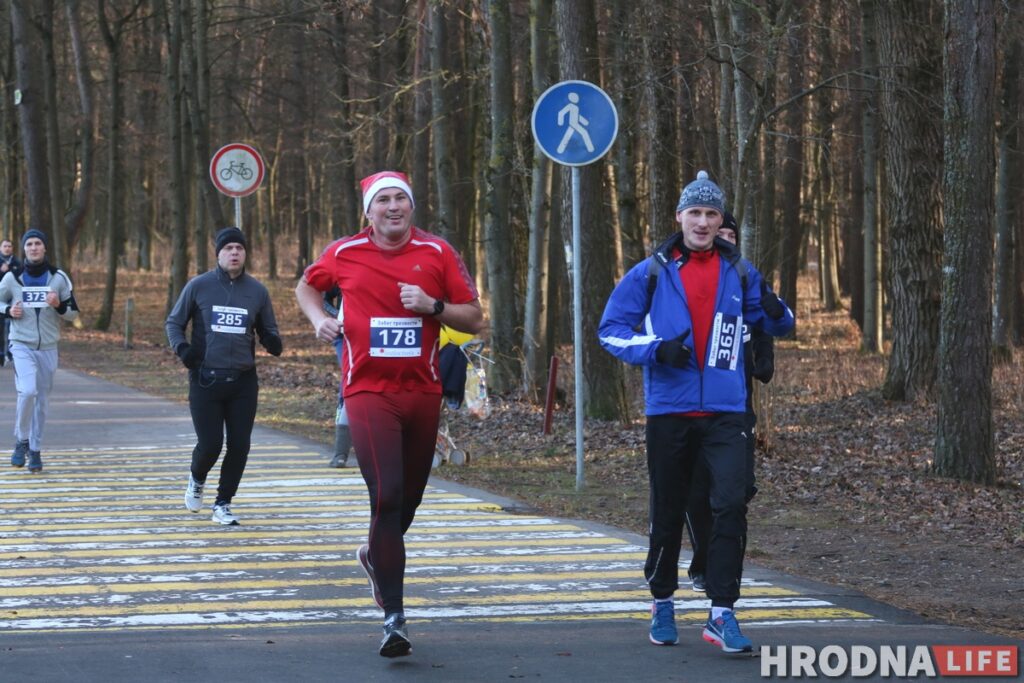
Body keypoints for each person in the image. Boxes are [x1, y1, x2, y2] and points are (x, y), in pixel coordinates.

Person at [598, 171, 794, 654]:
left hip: (728, 412)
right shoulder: (650, 272)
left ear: (719, 219)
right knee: (667, 511)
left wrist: (775, 309)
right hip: (670, 411)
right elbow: (611, 330)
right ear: (680, 217)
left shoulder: (739, 271)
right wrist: (656, 349)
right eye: (695, 213)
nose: (703, 222)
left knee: (730, 506)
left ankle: (722, 612)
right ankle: (662, 601)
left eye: (711, 214)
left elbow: (780, 323)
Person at [295, 170, 484, 658]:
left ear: (411, 206)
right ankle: (394, 619)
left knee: (408, 502)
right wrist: (320, 320)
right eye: (384, 200)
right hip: (367, 390)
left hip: (422, 391)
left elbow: (473, 317)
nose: (393, 206)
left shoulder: (437, 252)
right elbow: (306, 287)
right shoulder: (344, 253)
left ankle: (373, 553)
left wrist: (433, 305)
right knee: (387, 495)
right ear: (369, 212)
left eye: (401, 198)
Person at [165, 226, 283, 526]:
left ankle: (223, 503)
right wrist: (183, 349)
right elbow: (174, 323)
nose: (234, 253)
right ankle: (197, 478)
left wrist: (271, 340)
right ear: (218, 254)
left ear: (245, 254)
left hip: (243, 381)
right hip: (206, 379)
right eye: (228, 248)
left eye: (239, 248)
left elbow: (268, 328)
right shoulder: (199, 286)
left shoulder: (257, 291)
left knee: (240, 445)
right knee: (211, 445)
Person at [684, 211, 775, 593]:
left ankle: (726, 572)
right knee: (695, 494)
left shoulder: (746, 280)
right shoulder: (684, 279)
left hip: (737, 411)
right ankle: (704, 562)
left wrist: (763, 353)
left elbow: (767, 321)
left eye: (729, 234)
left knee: (734, 495)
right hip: (690, 410)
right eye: (716, 232)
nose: (722, 239)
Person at [0, 229, 78, 472]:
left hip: (48, 347)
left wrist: (58, 305)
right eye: (29, 244)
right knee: (27, 391)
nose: (33, 248)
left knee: (42, 402)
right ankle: (21, 441)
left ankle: (35, 449)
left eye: (37, 243)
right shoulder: (12, 278)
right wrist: (8, 310)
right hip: (21, 343)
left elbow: (73, 313)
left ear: (45, 248)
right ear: (24, 249)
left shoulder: (58, 278)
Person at [321, 284, 352, 468]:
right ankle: (341, 452)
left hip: (376, 335)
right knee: (349, 380)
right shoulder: (342, 273)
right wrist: (338, 315)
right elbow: (324, 299)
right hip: (344, 336)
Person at [0, 238, 22, 365]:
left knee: (10, 327)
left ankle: (11, 353)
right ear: (0, 248)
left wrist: (9, 270)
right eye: (5, 246)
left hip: (13, 302)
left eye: (9, 246)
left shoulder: (17, 262)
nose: (7, 248)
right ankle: (1, 354)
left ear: (12, 248)